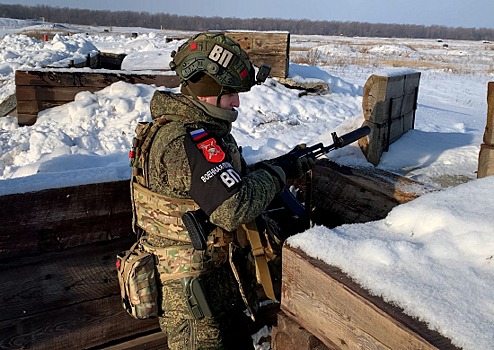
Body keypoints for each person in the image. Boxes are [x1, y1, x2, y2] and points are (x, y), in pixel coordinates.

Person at [129, 32, 313, 350]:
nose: (237, 102)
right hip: (190, 295)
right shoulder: (182, 140)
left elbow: (224, 183)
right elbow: (232, 207)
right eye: (230, 94)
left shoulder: (195, 131)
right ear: (208, 91)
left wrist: (279, 167)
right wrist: (278, 172)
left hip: (209, 281)